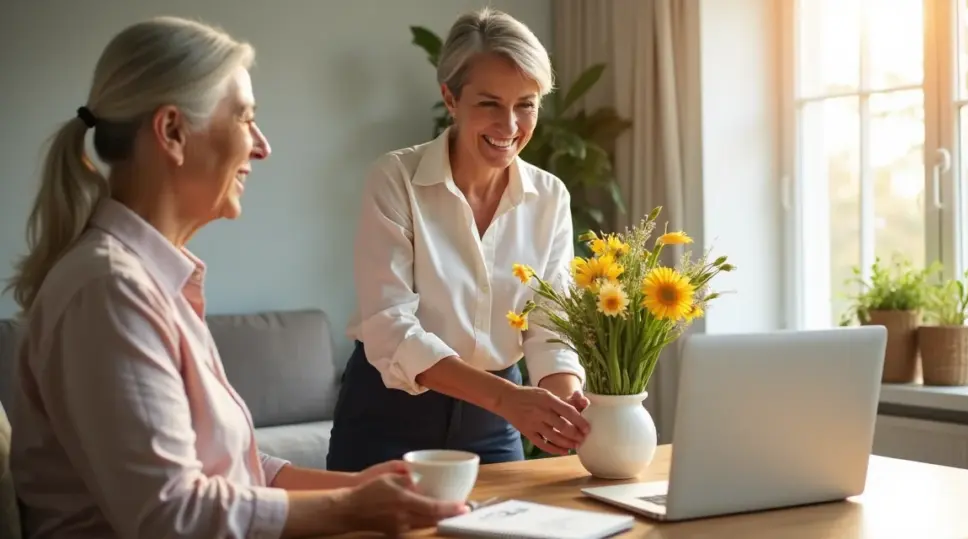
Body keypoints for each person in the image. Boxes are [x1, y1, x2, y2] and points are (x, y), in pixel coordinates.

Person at [5, 16, 465, 539]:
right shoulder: (108, 291)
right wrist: (354, 510)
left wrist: (354, 489)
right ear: (173, 132)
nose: (262, 146)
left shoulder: (146, 283)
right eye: (245, 119)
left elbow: (225, 465)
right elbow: (172, 515)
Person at [326, 7, 591, 473]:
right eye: (489, 103)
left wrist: (566, 402)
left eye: (525, 104)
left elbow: (549, 324)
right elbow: (391, 328)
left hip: (492, 426)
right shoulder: (396, 179)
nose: (510, 126)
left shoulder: (549, 197)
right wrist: (510, 400)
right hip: (387, 418)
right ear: (450, 97)